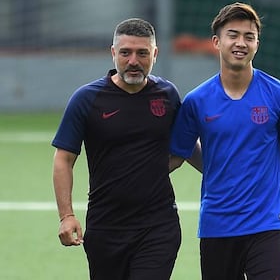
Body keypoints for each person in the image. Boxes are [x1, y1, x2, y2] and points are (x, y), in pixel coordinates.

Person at [169, 2, 280, 280]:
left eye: (248, 36)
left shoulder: (279, 94)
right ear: (216, 42)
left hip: (267, 225)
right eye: (233, 35)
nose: (241, 42)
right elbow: (178, 154)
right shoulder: (196, 101)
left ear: (257, 44)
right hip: (217, 225)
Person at [52, 18, 200, 280]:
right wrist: (67, 215)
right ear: (113, 54)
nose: (134, 61)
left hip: (159, 226)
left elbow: (187, 147)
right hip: (105, 227)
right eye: (125, 53)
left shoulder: (167, 95)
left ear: (154, 54)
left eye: (142, 53)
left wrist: (226, 173)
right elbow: (64, 159)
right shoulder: (87, 99)